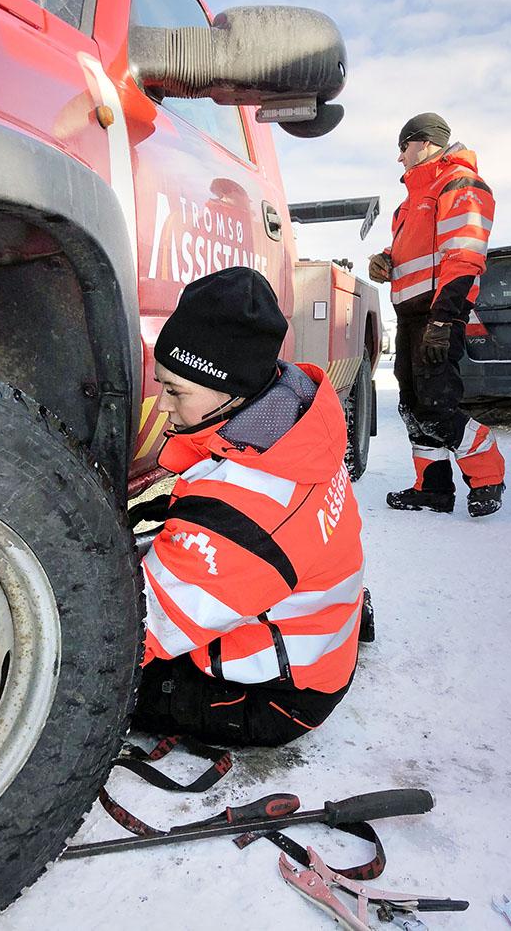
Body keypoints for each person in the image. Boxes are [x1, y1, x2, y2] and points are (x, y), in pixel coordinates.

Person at [130, 267, 364, 747]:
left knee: (115, 687)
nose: (163, 408)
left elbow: (133, 631)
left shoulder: (249, 512)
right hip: (319, 648)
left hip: (276, 696)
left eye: (176, 392)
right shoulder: (290, 435)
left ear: (231, 391)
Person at [369, 112, 505, 518]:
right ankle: (432, 488)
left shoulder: (461, 184)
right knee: (412, 405)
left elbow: (463, 256)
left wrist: (443, 320)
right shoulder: (408, 204)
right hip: (411, 315)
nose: (400, 158)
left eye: (403, 147)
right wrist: (385, 260)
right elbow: (412, 257)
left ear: (425, 143)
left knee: (437, 405)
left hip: (439, 312)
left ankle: (487, 476)